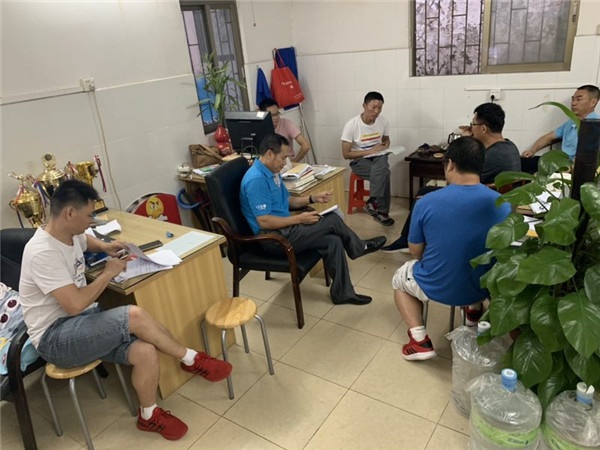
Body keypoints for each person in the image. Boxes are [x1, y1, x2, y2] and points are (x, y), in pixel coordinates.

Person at [19, 180, 232, 441]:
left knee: (145, 351)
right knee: (133, 314)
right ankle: (191, 359)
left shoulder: (69, 232)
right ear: (70, 213)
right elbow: (74, 304)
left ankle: (149, 416)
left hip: (82, 322)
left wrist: (105, 247)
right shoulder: (42, 252)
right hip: (55, 338)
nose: (92, 221)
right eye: (89, 215)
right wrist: (107, 274)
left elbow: (85, 241)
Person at [391, 137, 511, 360]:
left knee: (400, 278)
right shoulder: (502, 203)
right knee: (477, 260)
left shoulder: (426, 202)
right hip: (482, 288)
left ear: (451, 164)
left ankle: (419, 341)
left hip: (438, 285)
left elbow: (415, 251)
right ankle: (473, 314)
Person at [240, 134, 386, 305]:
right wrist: (299, 219)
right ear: (269, 154)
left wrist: (312, 198)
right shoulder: (256, 180)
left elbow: (287, 201)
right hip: (273, 239)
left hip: (284, 230)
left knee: (333, 241)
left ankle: (342, 293)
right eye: (283, 157)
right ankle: (358, 247)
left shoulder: (272, 172)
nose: (285, 163)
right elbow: (264, 221)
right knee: (332, 220)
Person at [382, 102, 520, 252]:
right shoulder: (509, 146)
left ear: (483, 128)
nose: (471, 128)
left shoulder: (492, 155)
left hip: (478, 202)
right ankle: (408, 239)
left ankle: (408, 241)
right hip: (497, 201)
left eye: (473, 124)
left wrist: (465, 142)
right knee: (426, 190)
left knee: (423, 195)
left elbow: (458, 179)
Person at [341, 91, 394, 226]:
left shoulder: (383, 121)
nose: (377, 111)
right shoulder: (352, 125)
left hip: (378, 157)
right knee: (384, 173)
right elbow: (346, 154)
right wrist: (370, 151)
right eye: (373, 107)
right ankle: (381, 211)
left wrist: (385, 145)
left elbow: (386, 139)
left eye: (380, 108)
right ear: (364, 106)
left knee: (382, 164)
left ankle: (373, 201)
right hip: (359, 160)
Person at [522, 84, 599, 160]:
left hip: (580, 166)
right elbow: (548, 138)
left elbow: (590, 155)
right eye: (573, 99)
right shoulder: (571, 123)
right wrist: (532, 150)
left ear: (593, 102)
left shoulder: (596, 125)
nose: (573, 103)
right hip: (563, 163)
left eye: (579, 99)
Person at [259, 98, 311, 162]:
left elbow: (305, 145)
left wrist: (294, 162)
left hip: (286, 162)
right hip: (268, 162)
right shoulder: (259, 126)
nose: (276, 118)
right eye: (272, 115)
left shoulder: (286, 123)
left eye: (277, 114)